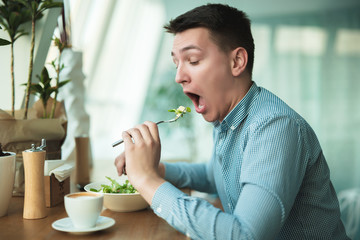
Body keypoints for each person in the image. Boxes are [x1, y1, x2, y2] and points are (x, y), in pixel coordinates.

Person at [115, 4, 349, 239]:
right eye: (177, 63)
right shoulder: (229, 119)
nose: (179, 77)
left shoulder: (275, 127)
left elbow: (243, 235)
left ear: (237, 61)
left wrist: (146, 179)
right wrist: (154, 167)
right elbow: (213, 176)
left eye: (193, 60)